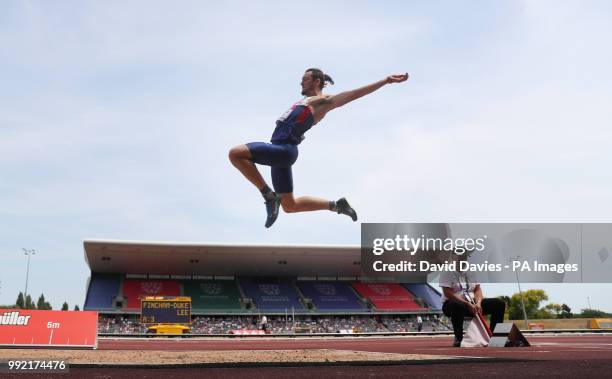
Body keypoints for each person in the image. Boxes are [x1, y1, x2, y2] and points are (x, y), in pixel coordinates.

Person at [229, 68, 409, 227]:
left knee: (236, 154)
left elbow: (353, 94)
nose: (301, 81)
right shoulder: (303, 102)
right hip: (280, 154)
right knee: (290, 206)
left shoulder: (323, 102)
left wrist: (385, 81)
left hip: (284, 150)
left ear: (317, 81)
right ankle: (336, 205)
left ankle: (268, 195)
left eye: (305, 78)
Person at [439, 263, 506, 347]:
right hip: (452, 304)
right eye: (459, 256)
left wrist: (478, 303)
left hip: (473, 303)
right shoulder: (446, 272)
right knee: (458, 305)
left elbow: (477, 289)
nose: (462, 259)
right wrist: (466, 303)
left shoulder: (471, 270)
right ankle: (458, 338)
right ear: (453, 257)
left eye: (464, 256)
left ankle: (495, 338)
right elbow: (447, 293)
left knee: (499, 304)